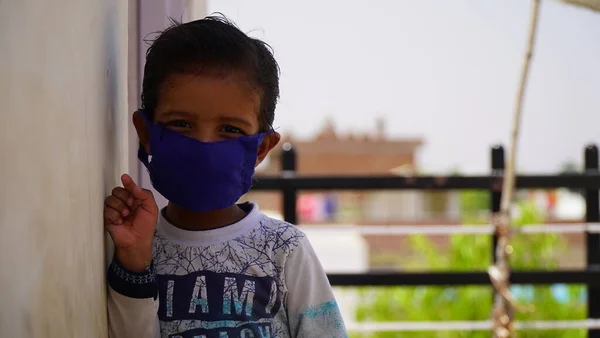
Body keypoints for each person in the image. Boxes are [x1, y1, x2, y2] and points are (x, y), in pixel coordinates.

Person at [104, 16, 347, 338]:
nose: (204, 145)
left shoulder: (284, 248)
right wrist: (134, 260)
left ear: (261, 149)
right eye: (181, 123)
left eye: (230, 129)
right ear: (147, 133)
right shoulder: (136, 248)